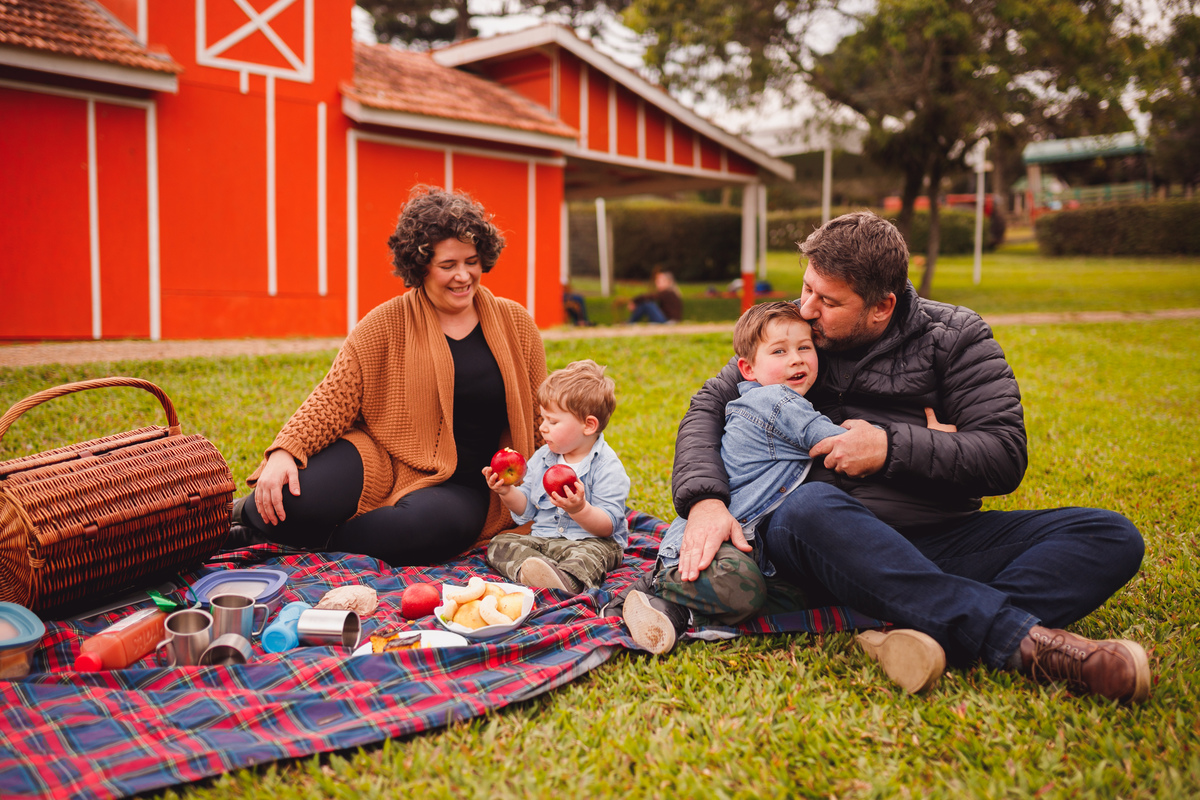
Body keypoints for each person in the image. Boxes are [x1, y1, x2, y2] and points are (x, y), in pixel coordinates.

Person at [649, 211, 1150, 702]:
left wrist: (892, 447)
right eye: (807, 288)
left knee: (1109, 536)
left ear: (881, 306)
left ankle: (916, 627)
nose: (806, 309)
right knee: (810, 507)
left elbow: (1002, 454)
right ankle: (1022, 643)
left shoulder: (955, 336)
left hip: (934, 537)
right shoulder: (792, 339)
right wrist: (706, 501)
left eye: (827, 300)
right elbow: (709, 406)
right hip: (816, 540)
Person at [225, 186, 547, 566]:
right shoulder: (384, 323)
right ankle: (234, 519)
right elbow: (333, 399)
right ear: (420, 265)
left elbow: (544, 414)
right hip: (378, 458)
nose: (463, 276)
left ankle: (302, 539)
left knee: (424, 532)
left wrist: (572, 472)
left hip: (464, 484)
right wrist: (284, 451)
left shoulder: (516, 324)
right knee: (289, 498)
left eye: (472, 261)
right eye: (448, 266)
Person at [620, 302, 862, 656]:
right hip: (712, 546)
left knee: (798, 596)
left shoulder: (782, 400)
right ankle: (655, 585)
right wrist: (902, 435)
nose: (796, 359)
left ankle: (679, 613)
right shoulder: (776, 402)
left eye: (804, 348)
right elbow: (842, 445)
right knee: (741, 586)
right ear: (747, 369)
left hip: (748, 548)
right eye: (779, 351)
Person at [484, 360, 630, 594]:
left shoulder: (606, 466)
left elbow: (608, 526)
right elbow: (527, 510)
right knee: (500, 544)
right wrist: (507, 492)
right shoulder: (543, 458)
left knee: (588, 557)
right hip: (545, 540)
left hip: (590, 542)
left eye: (552, 421)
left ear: (589, 425)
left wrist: (580, 509)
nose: (542, 427)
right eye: (543, 419)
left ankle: (567, 580)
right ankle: (539, 572)